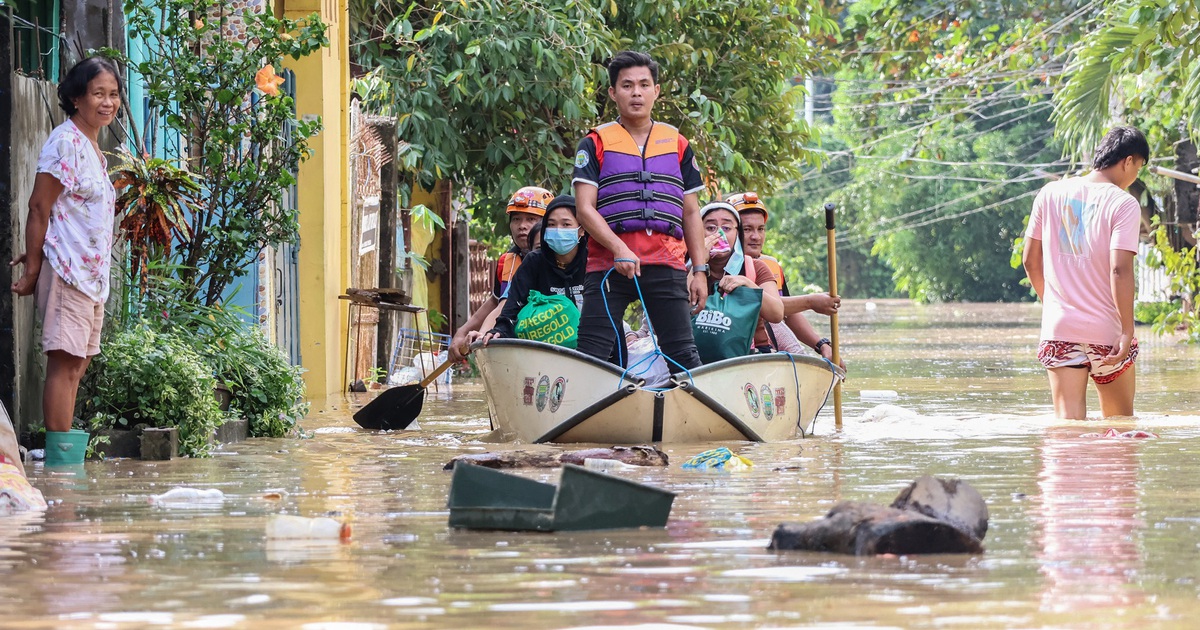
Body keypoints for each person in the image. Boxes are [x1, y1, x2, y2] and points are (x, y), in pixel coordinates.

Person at [9, 56, 122, 459]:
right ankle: (60, 467)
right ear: (76, 97)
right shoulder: (65, 142)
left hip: (92, 277)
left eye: (113, 94)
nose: (107, 102)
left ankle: (65, 463)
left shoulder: (93, 147)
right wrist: (35, 265)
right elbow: (39, 207)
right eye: (98, 94)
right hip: (68, 272)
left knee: (77, 366)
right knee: (64, 363)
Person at [572, 50, 708, 369]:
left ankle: (695, 414)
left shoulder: (678, 144)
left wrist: (699, 270)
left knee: (683, 353)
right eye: (627, 85)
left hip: (666, 261)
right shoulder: (593, 144)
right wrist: (619, 248)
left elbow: (690, 213)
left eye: (644, 85)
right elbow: (584, 209)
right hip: (608, 263)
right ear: (613, 92)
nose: (636, 92)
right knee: (591, 354)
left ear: (656, 91)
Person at [1022, 125, 1147, 419]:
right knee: (1119, 430)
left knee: (1068, 432)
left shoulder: (1050, 193)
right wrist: (1127, 330)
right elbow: (1119, 270)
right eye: (1139, 168)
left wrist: (1053, 305)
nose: (1135, 176)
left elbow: (1030, 260)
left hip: (1060, 328)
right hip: (1106, 331)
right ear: (1128, 161)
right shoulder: (1123, 203)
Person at [728, 192, 842, 363]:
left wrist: (821, 344)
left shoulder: (770, 265)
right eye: (747, 229)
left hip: (767, 345)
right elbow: (774, 309)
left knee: (808, 362)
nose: (756, 237)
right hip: (734, 347)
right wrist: (811, 302)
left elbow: (787, 313)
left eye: (761, 229)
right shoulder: (719, 264)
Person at [448, 186, 553, 361]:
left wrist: (481, 334)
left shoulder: (561, 259)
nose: (522, 226)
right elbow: (497, 302)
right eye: (516, 219)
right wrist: (462, 333)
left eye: (531, 219)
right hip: (511, 344)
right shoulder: (507, 261)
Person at [472, 195, 587, 345]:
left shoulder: (594, 262)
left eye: (566, 224)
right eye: (551, 224)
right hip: (542, 349)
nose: (558, 230)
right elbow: (510, 307)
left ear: (582, 229)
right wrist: (498, 330)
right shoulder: (533, 261)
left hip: (590, 346)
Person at [697, 201, 783, 355]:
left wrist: (748, 283)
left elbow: (776, 314)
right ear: (697, 233)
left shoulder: (756, 267)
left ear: (737, 234)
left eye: (726, 228)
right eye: (711, 228)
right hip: (695, 356)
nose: (719, 235)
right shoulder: (684, 268)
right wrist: (699, 264)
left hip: (749, 356)